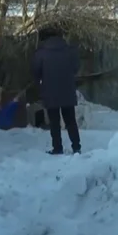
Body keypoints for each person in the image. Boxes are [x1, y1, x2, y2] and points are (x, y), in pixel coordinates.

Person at [32, 26, 81, 154]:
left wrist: (40, 87)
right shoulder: (70, 50)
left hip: (50, 91)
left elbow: (36, 73)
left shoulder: (41, 53)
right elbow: (76, 68)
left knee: (54, 122)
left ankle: (57, 147)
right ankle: (76, 147)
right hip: (67, 91)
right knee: (70, 120)